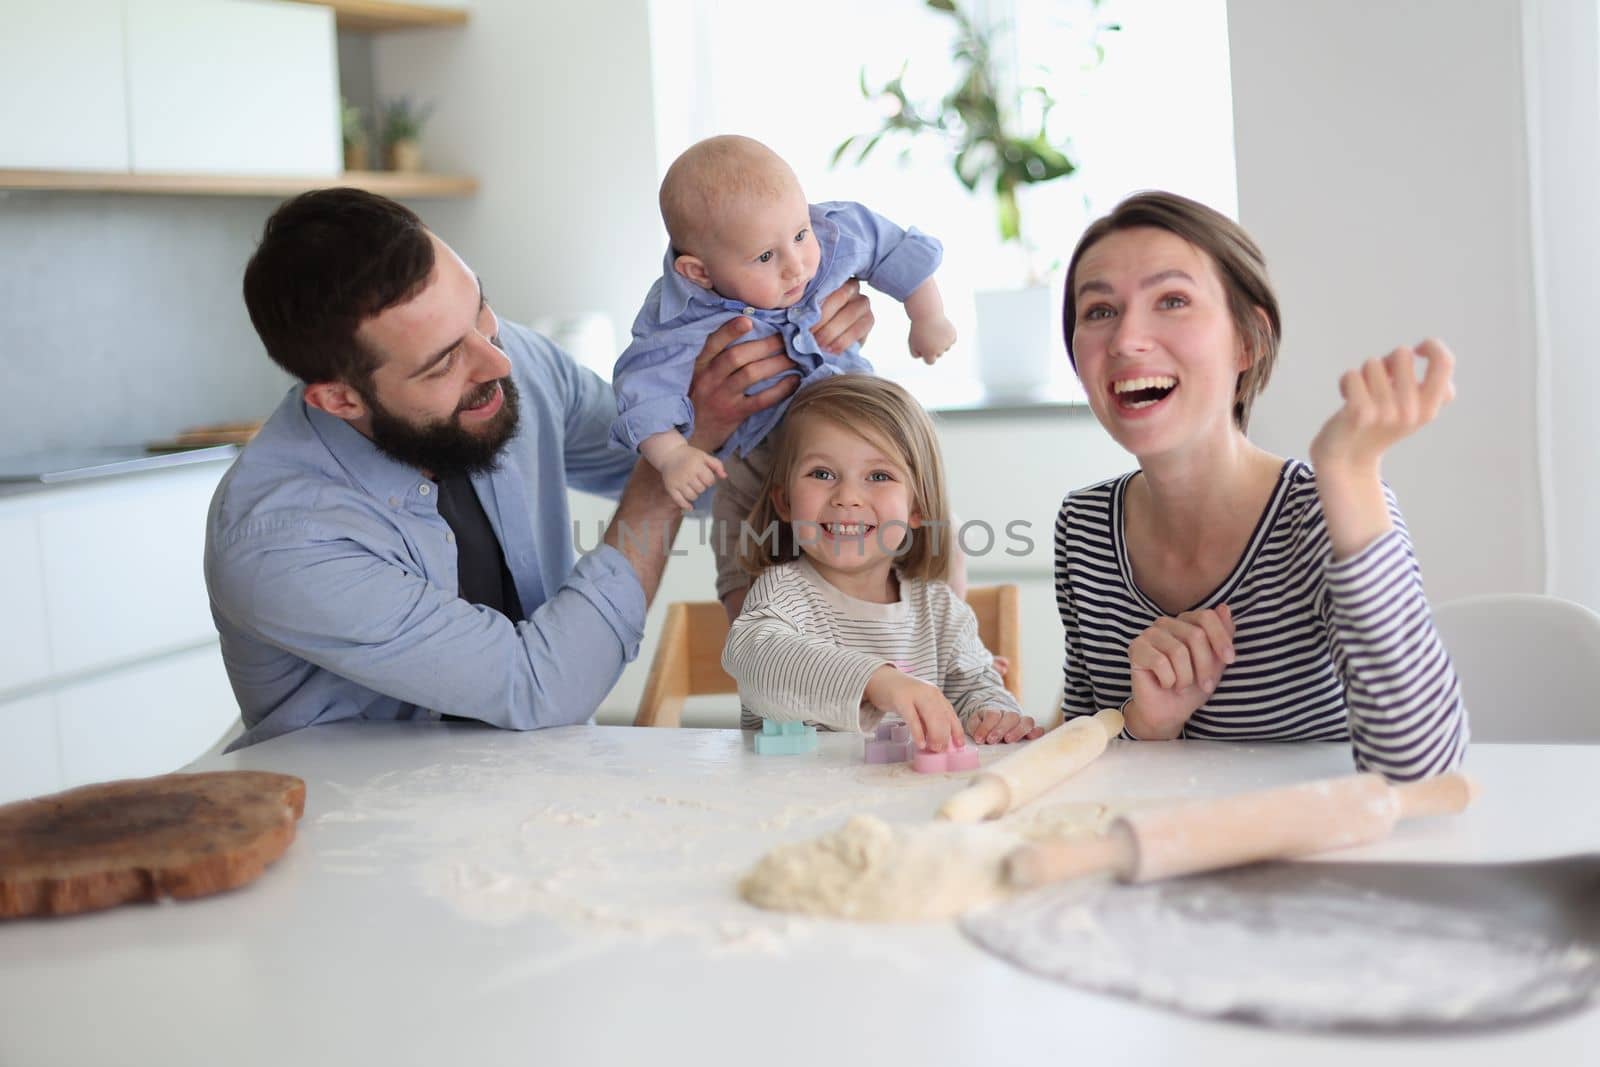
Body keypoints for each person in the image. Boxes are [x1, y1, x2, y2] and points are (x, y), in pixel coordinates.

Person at [205, 187, 874, 749]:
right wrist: (677, 456)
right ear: (339, 398)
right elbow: (541, 685)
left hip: (528, 799)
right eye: (443, 362)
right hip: (354, 843)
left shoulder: (511, 359)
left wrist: (800, 345)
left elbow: (716, 466)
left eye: (480, 310)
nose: (496, 362)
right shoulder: (281, 536)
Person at [1053, 190, 1467, 780]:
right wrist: (1148, 727)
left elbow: (1424, 769)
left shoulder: (1327, 510)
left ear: (1248, 340)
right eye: (1098, 311)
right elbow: (1080, 770)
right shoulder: (1085, 526)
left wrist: (1348, 474)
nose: (1125, 340)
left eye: (1172, 300)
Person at [609, 135, 957, 619]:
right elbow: (641, 389)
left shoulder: (830, 234)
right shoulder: (678, 318)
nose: (796, 265)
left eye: (799, 234)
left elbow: (892, 248)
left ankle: (956, 638)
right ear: (700, 272)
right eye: (765, 257)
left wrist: (927, 316)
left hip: (858, 430)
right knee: (743, 548)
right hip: (759, 452)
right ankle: (760, 653)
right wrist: (673, 456)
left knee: (934, 526)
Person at [722, 375, 1040, 753]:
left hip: (906, 803)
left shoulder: (939, 609)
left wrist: (992, 714)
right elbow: (756, 659)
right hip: (794, 804)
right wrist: (876, 681)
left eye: (879, 476)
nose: (848, 497)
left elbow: (976, 687)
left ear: (918, 507)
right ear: (786, 501)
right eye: (822, 474)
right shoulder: (781, 594)